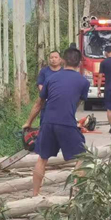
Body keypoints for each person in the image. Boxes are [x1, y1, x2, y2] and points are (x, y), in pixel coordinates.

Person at [23, 47, 90, 196]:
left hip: (47, 122)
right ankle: (77, 192)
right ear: (79, 63)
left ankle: (34, 195)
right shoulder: (83, 82)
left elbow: (39, 103)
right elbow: (77, 102)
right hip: (66, 122)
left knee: (42, 159)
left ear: (63, 61)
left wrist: (28, 122)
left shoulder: (51, 79)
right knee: (83, 156)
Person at [36, 51, 62, 123]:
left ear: (60, 59)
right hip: (46, 101)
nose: (53, 59)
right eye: (51, 58)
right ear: (49, 59)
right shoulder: (44, 71)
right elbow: (40, 85)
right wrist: (45, 95)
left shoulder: (64, 71)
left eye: (56, 57)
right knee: (45, 122)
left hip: (60, 102)